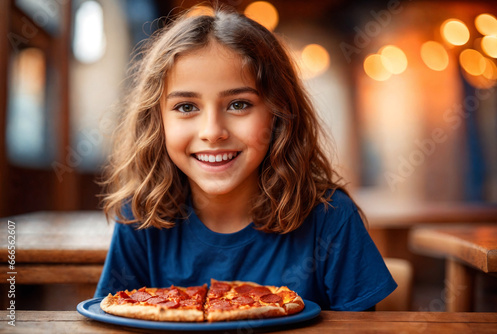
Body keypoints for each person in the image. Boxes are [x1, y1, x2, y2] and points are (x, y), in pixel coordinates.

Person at [94, 7, 397, 311]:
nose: (213, 132)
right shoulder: (139, 216)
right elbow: (113, 318)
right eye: (186, 107)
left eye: (239, 104)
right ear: (156, 120)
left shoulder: (331, 219)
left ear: (279, 115)